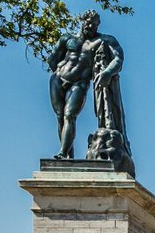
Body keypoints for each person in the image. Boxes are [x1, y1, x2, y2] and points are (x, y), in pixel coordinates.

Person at [48, 11, 129, 160]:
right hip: (58, 79)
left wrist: (107, 73)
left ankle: (63, 152)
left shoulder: (104, 40)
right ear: (82, 21)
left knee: (69, 115)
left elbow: (118, 59)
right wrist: (60, 70)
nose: (91, 26)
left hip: (80, 83)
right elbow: (53, 59)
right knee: (60, 117)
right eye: (88, 22)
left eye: (94, 24)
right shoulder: (67, 39)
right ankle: (68, 154)